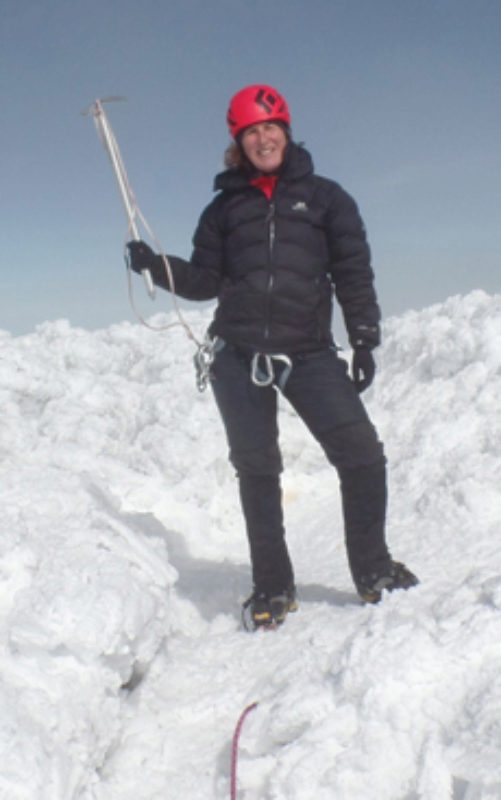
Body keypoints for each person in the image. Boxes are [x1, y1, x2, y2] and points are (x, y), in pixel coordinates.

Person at [127, 84, 418, 629]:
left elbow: (353, 271)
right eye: (251, 132)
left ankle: (373, 570)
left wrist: (363, 338)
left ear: (286, 131)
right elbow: (206, 280)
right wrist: (155, 265)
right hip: (237, 356)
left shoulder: (328, 198)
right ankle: (272, 586)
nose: (263, 138)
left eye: (270, 127)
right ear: (238, 143)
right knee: (257, 471)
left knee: (361, 456)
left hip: (308, 353)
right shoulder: (223, 209)